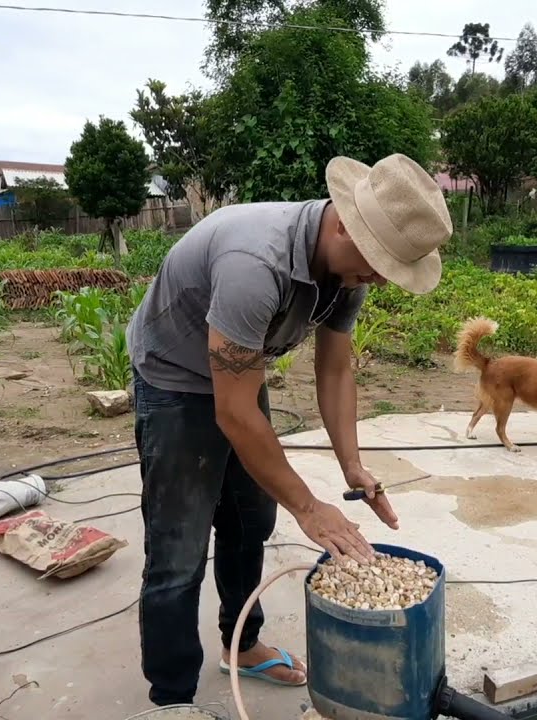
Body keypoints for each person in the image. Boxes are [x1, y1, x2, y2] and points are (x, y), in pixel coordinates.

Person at [125, 152, 453, 706]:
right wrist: (309, 506)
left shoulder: (350, 268)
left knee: (250, 519)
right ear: (346, 221)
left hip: (236, 371)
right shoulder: (255, 262)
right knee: (178, 550)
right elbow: (233, 412)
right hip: (175, 378)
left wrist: (352, 466)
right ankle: (174, 696)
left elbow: (335, 366)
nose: (376, 276)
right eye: (375, 261)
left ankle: (242, 644)